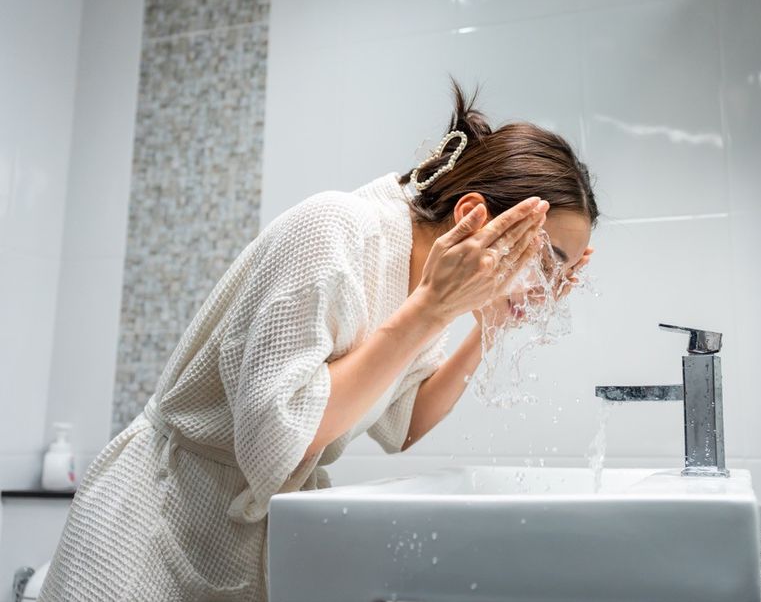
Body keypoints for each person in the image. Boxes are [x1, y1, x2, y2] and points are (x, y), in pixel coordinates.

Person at [38, 76, 599, 601]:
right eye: (546, 260)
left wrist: (487, 328)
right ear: (474, 215)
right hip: (150, 527)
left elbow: (402, 424)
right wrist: (431, 311)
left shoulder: (421, 285)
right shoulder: (334, 229)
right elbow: (279, 434)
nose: (547, 285)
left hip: (242, 537)